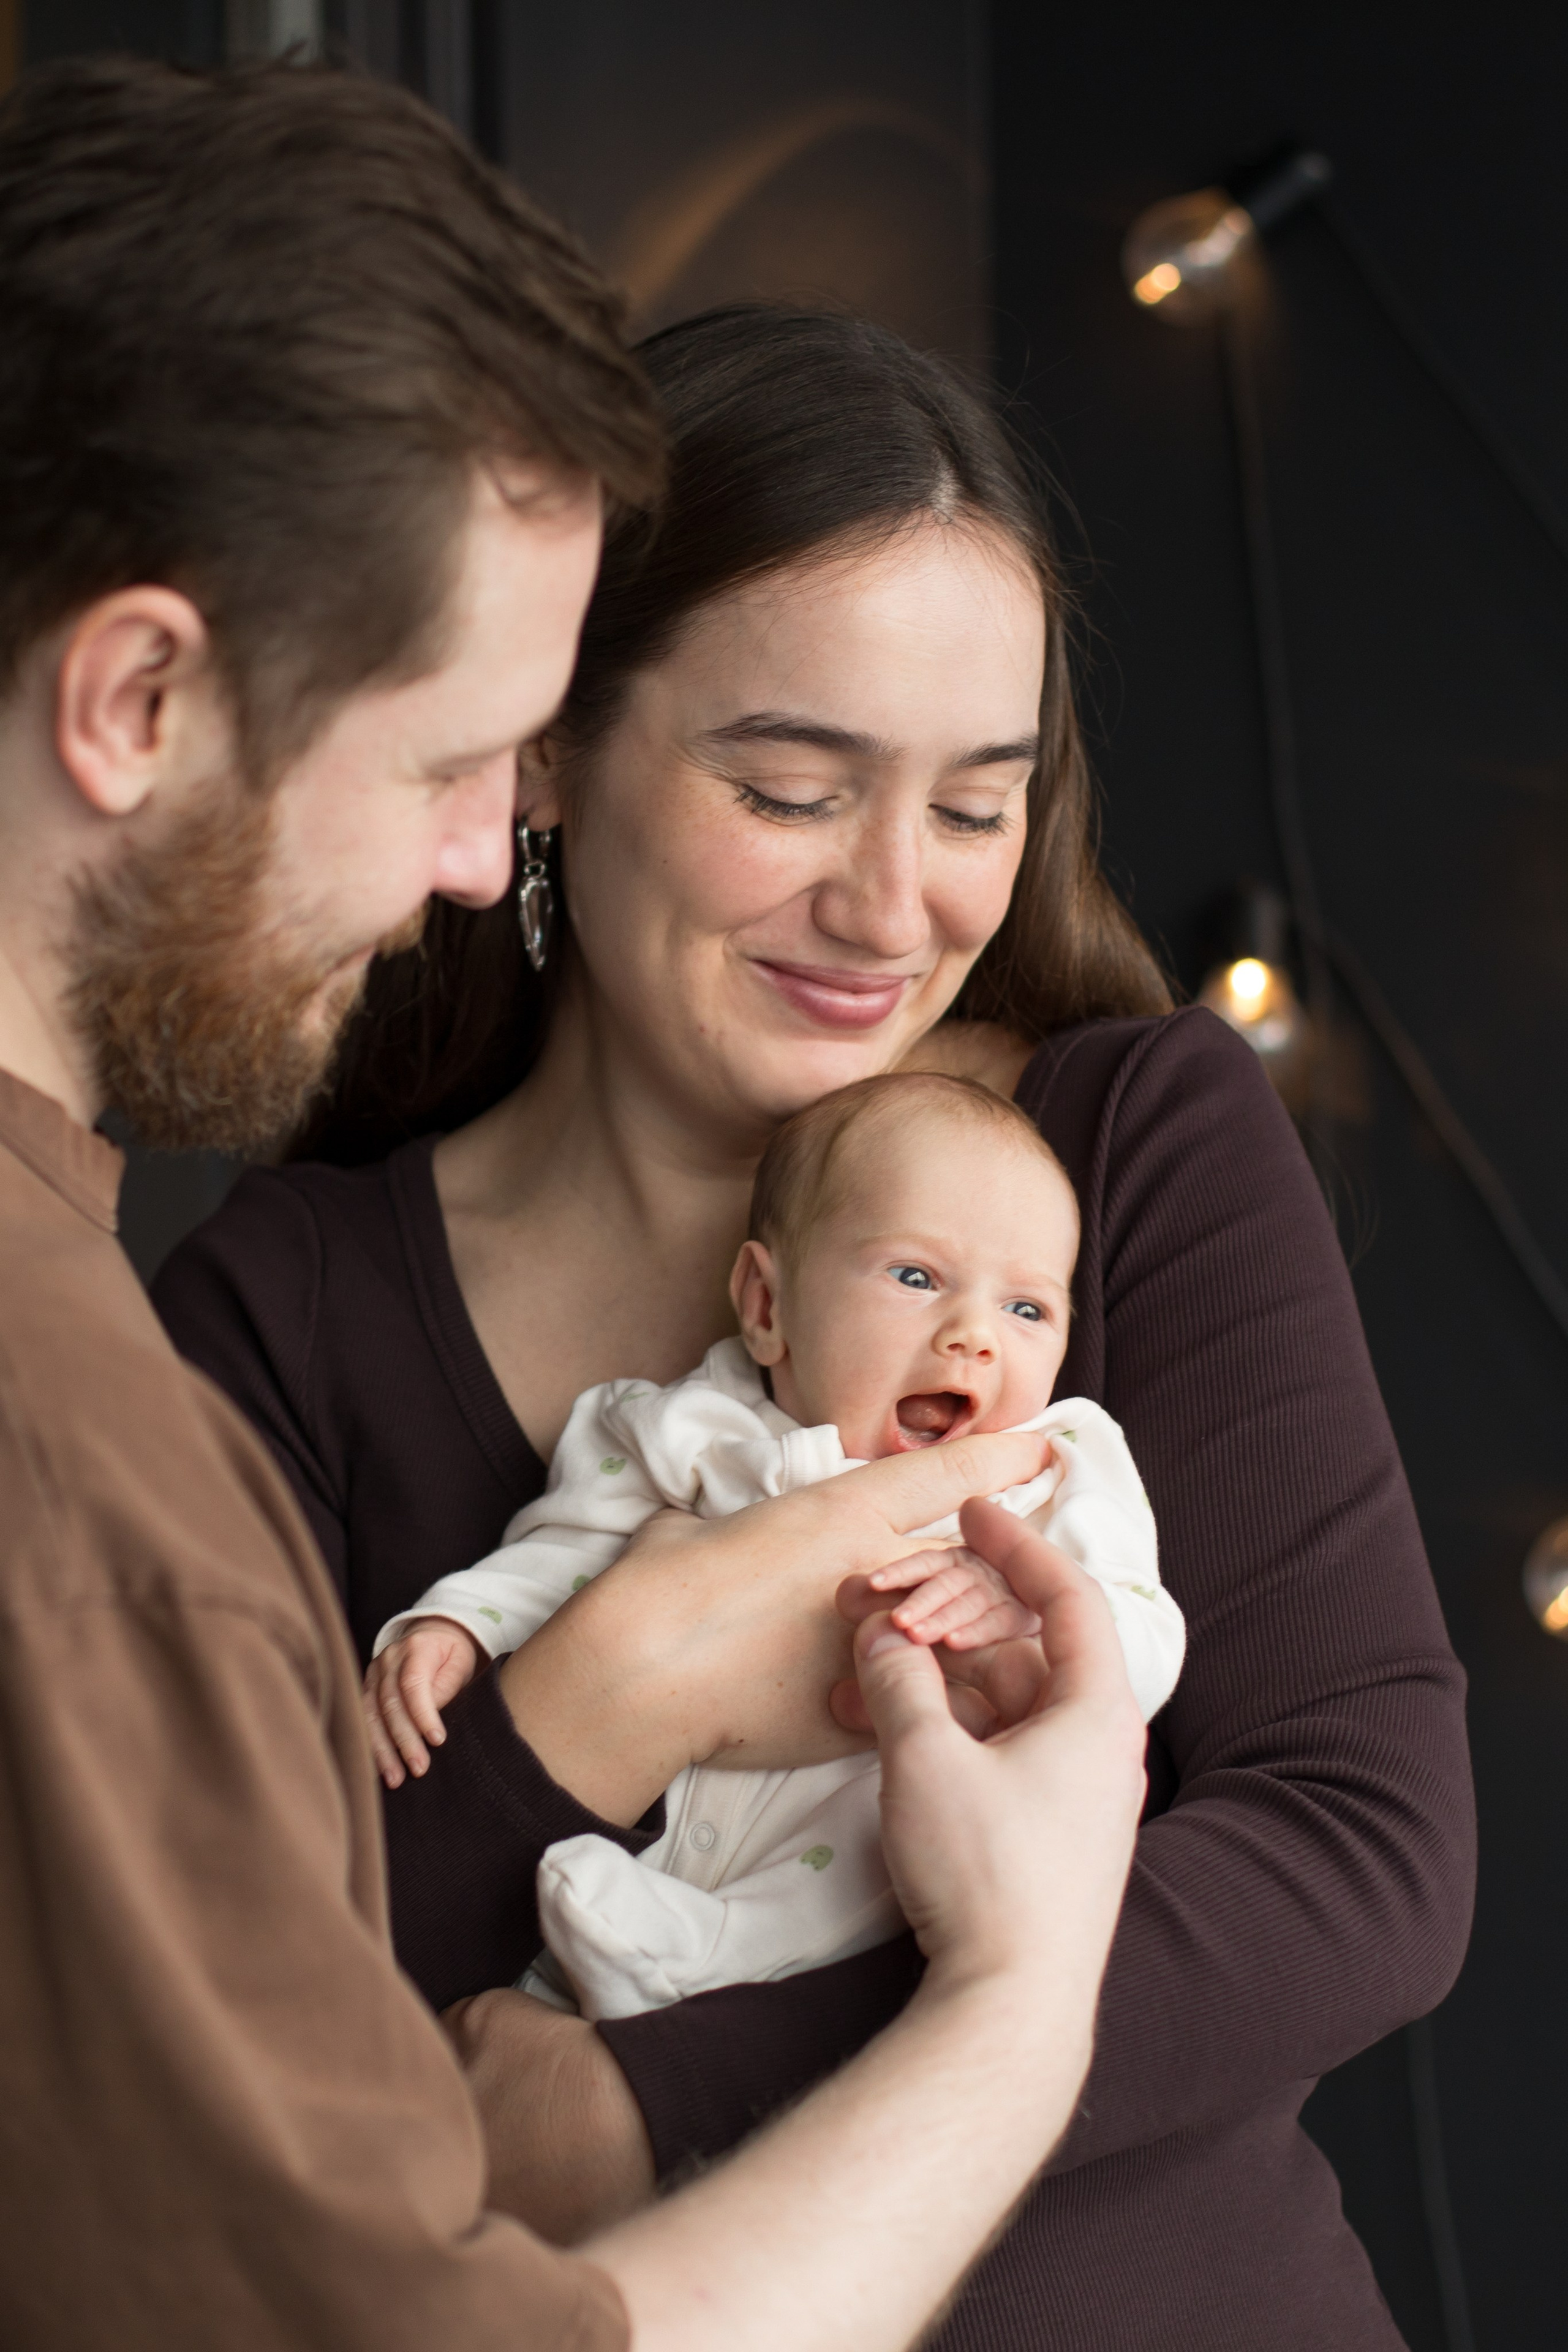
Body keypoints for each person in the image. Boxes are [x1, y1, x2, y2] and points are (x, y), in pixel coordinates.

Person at [159, 292, 1477, 2345]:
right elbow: (228, 2024)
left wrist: (649, 2098)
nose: (896, 909)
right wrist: (614, 1689)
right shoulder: (291, 1308)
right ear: (547, 755)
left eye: (975, 808)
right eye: (791, 790)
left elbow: (1360, 1860)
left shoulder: (1130, 1143)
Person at [0, 55, 1152, 2352]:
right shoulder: (103, 1472)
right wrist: (1020, 1999)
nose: (464, 857)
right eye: (448, 763)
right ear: (133, 698)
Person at [363, 1072, 1186, 2021]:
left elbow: (1140, 1627)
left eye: (1028, 1311)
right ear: (766, 1305)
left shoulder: (1052, 1463)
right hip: (644, 1847)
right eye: (916, 1278)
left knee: (914, 1815)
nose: (974, 1339)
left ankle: (710, 1959)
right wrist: (460, 1623)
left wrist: (1022, 1615)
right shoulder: (687, 1428)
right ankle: (594, 1979)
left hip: (868, 1841)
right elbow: (570, 1555)